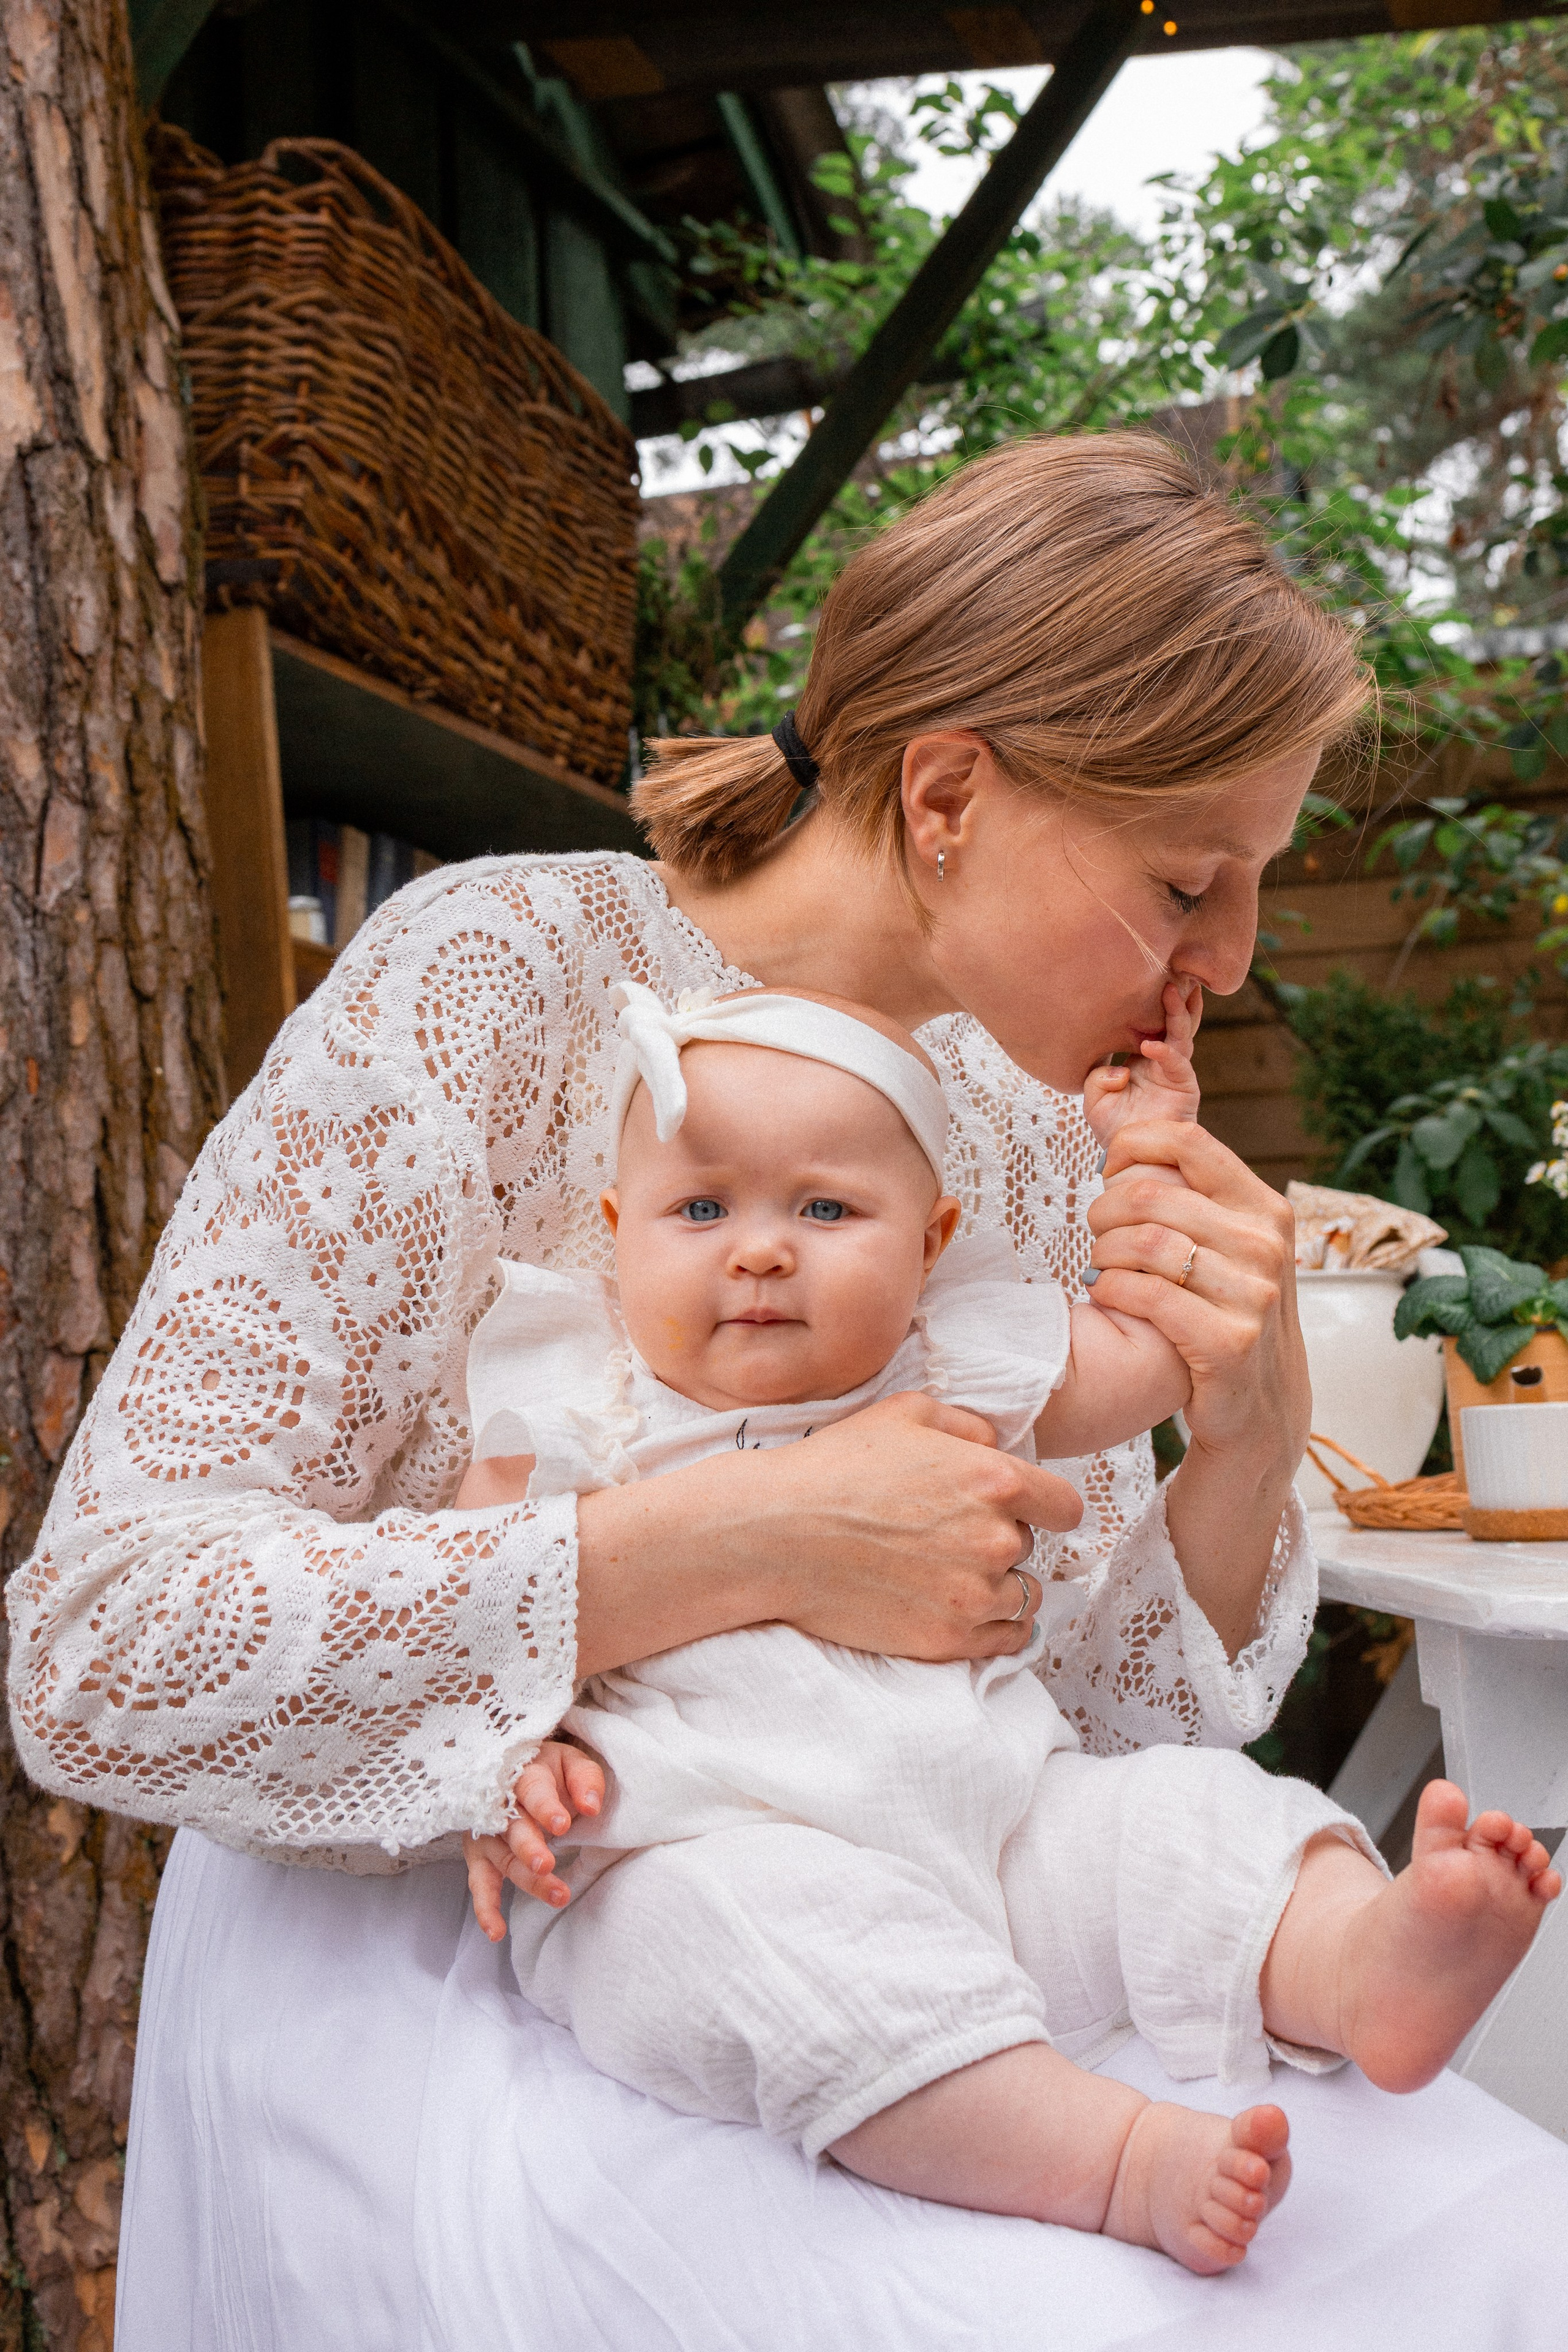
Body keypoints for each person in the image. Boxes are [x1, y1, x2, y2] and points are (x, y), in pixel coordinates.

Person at [8, 434, 1566, 2349]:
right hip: (498, 1923)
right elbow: (102, 1651)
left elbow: (1059, 1719)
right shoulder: (504, 974)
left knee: (1504, 2242)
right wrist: (745, 1539)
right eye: (1188, 880)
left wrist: (1240, 1432)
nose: (1228, 965)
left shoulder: (1029, 1126)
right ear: (947, 795)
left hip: (950, 1888)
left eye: (1255, 887)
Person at [456, 978, 1557, 2275]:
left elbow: (1164, 1338)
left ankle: (1355, 1959)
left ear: (930, 1244)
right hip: (701, 1841)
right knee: (751, 1945)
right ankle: (1111, 2160)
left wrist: (1147, 1144)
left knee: (1178, 1815)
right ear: (615, 1230)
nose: (757, 1250)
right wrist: (509, 1760)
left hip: (994, 1823)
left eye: (825, 1208)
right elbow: (477, 1611)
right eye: (699, 1209)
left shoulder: (956, 1360)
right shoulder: (577, 1404)